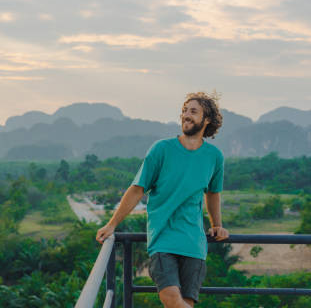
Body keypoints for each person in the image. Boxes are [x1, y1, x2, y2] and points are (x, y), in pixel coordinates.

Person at [96, 92, 229, 308]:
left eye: (193, 112)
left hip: (193, 242)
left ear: (207, 120)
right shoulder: (162, 149)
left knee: (184, 303)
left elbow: (213, 193)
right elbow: (137, 190)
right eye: (184, 110)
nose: (186, 115)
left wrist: (217, 225)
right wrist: (112, 224)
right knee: (171, 299)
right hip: (163, 239)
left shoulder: (214, 156)